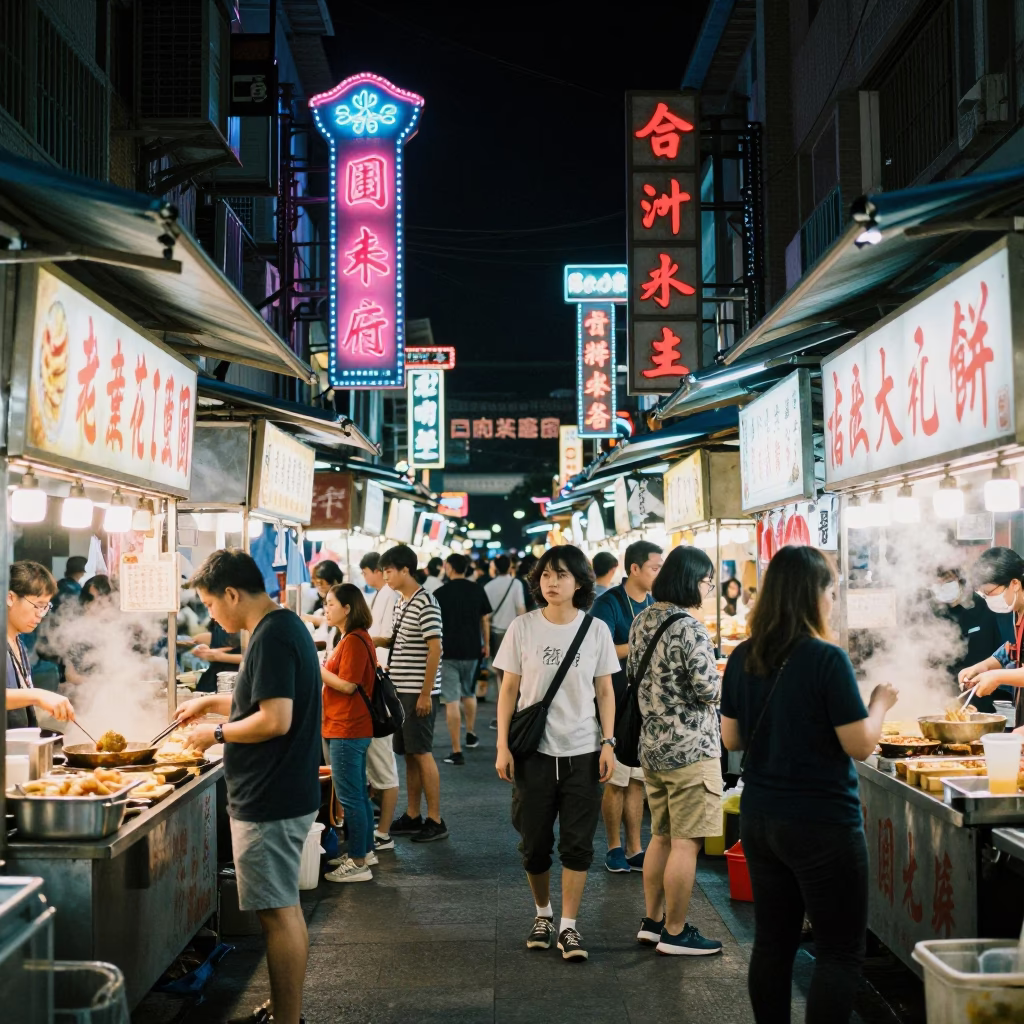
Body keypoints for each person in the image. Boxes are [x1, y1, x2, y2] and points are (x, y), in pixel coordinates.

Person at [721, 545, 899, 1024]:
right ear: (815, 594)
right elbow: (860, 744)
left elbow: (731, 738)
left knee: (773, 944)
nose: (833, 598)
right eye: (831, 589)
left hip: (759, 817)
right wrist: (880, 703)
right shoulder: (826, 658)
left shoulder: (742, 656)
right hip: (822, 823)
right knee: (840, 950)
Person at [176, 550, 321, 1024]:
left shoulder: (272, 635)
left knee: (278, 913)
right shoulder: (282, 625)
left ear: (232, 594)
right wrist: (212, 705)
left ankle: (288, 1018)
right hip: (281, 791)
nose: (212, 615)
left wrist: (213, 733)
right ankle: (285, 1008)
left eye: (211, 605)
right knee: (282, 909)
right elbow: (261, 699)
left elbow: (275, 720)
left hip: (270, 797)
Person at [494, 545, 618, 962]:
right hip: (534, 752)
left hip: (583, 749)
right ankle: (542, 913)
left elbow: (605, 691)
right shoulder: (522, 628)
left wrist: (609, 742)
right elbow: (509, 689)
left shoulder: (596, 629)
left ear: (580, 582)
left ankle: (569, 926)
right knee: (534, 841)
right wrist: (502, 747)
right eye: (546, 574)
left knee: (578, 843)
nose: (552, 582)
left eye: (561, 575)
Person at [629, 546, 723, 955]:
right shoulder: (690, 627)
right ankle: (676, 931)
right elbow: (708, 690)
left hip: (652, 746)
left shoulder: (643, 619)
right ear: (691, 581)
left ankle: (652, 922)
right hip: (691, 750)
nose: (708, 588)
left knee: (661, 837)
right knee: (687, 842)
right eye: (706, 581)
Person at [591, 539, 663, 874]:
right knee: (616, 780)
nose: (658, 573)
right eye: (654, 567)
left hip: (645, 706)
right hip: (614, 705)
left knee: (638, 780)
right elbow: (599, 649)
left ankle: (635, 847)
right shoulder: (609, 603)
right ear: (634, 568)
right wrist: (640, 645)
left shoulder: (655, 603)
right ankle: (614, 846)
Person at [378, 544, 448, 843]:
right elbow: (398, 641)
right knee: (408, 754)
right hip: (400, 690)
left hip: (417, 691)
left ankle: (435, 819)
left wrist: (425, 693)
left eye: (389, 571)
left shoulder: (426, 602)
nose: (385, 577)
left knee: (422, 753)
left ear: (406, 569)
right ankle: (412, 813)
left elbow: (436, 648)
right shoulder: (401, 602)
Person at [320, 583, 377, 884]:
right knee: (359, 795)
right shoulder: (354, 637)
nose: (326, 609)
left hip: (347, 727)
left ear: (347, 608)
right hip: (350, 726)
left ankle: (358, 863)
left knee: (351, 797)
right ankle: (364, 851)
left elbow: (347, 685)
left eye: (330, 604)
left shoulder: (354, 640)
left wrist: (316, 668)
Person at [360, 551, 401, 853]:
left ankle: (383, 832)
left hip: (380, 694)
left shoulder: (388, 595)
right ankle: (378, 828)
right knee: (378, 767)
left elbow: (386, 636)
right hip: (380, 684)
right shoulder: (387, 594)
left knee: (384, 767)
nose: (384, 577)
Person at [435, 553, 491, 764]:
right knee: (469, 693)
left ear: (449, 567)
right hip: (472, 649)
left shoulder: (439, 593)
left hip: (447, 651)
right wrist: (486, 644)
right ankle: (470, 732)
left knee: (451, 700)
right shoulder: (477, 589)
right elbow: (484, 619)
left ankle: (456, 750)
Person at [960, 547, 1024, 726]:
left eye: (990, 593)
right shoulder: (1017, 611)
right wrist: (983, 666)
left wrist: (997, 677)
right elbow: (1013, 648)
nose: (987, 599)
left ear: (1015, 583)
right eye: (983, 594)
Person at [6, 561, 75, 728]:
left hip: (17, 748)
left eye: (46, 607)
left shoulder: (18, 642)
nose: (41, 615)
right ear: (10, 598)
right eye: (38, 606)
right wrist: (37, 695)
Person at [928, 565, 1004, 713]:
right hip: (942, 695)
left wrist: (976, 700)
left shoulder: (983, 607)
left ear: (960, 580)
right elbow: (929, 662)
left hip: (980, 695)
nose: (941, 586)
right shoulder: (932, 612)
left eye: (947, 580)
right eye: (937, 582)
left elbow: (994, 656)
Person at [485, 555, 526, 683]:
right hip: (513, 632)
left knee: (500, 670)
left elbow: (486, 616)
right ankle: (514, 698)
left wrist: (486, 642)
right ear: (510, 566)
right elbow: (521, 609)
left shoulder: (488, 586)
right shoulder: (516, 584)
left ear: (495, 567)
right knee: (516, 668)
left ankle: (502, 698)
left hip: (495, 633)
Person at [191, 617, 243, 693]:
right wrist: (206, 649)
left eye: (211, 605)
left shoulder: (247, 625)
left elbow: (255, 657)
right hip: (212, 681)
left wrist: (220, 656)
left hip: (235, 681)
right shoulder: (218, 622)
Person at [302, 560, 344, 632]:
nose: (319, 587)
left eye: (321, 583)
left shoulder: (343, 601)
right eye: (317, 584)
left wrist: (309, 618)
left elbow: (332, 622)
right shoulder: (320, 602)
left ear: (334, 582)